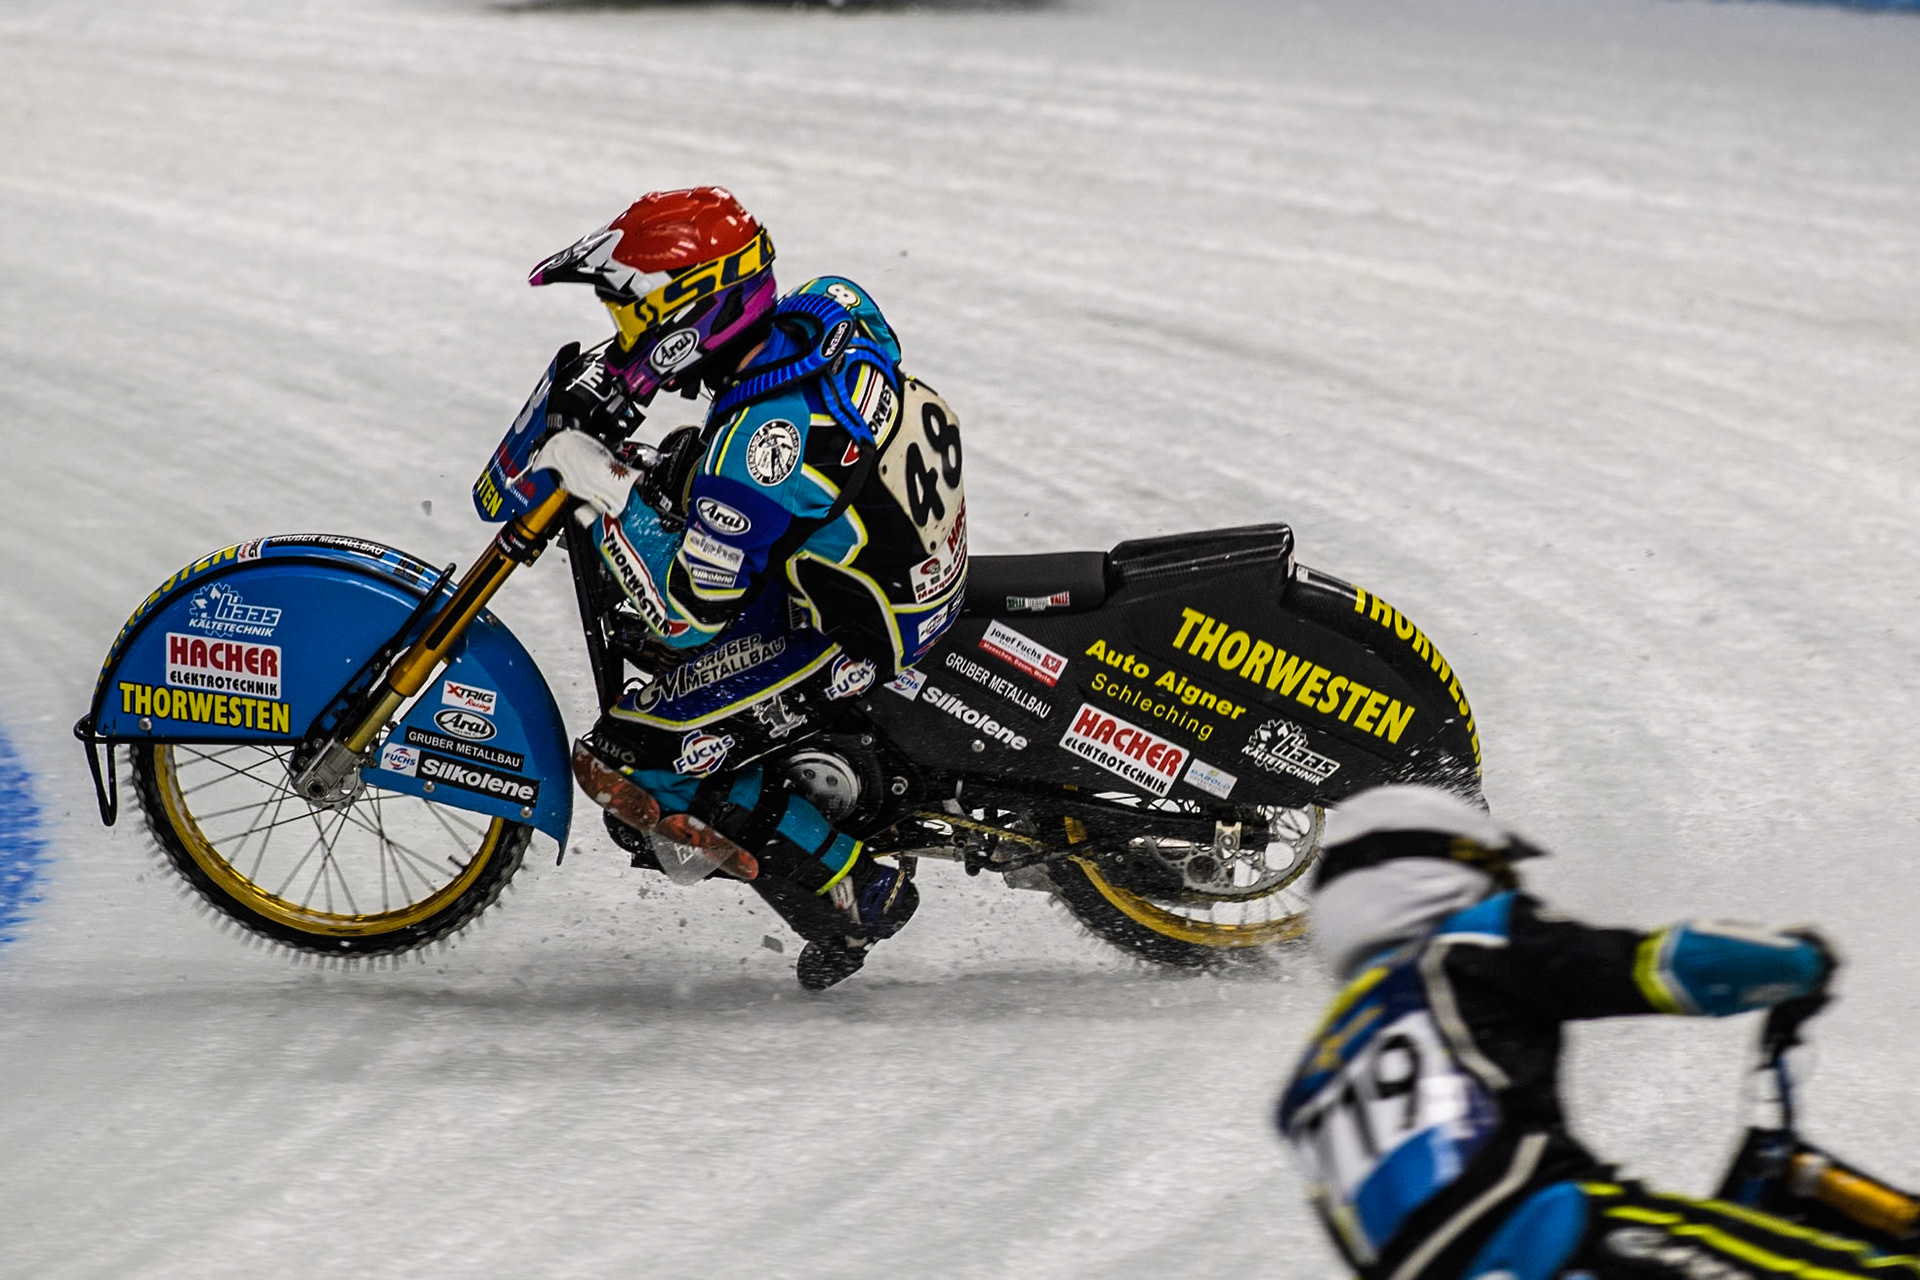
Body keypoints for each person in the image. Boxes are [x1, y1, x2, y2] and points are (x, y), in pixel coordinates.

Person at [522, 187, 967, 990]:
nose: (627, 335)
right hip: (887, 549)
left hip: (851, 623)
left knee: (636, 754)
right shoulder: (833, 307)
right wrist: (624, 384)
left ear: (692, 313)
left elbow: (691, 614)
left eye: (634, 318)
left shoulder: (751, 457)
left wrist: (607, 495)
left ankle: (856, 888)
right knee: (687, 460)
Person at [1276, 784, 1915, 1280]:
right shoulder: (1464, 943)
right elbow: (1666, 966)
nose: (1510, 887)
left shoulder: (1306, 1092)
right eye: (1497, 871)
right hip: (1582, 1246)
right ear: (1443, 867)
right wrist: (1799, 963)